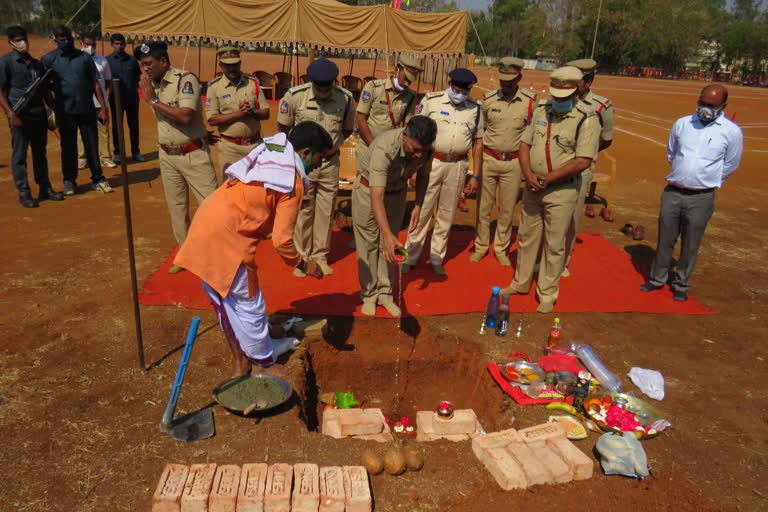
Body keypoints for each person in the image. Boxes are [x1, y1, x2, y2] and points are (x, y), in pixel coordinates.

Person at [174, 122, 332, 377]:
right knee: (250, 306)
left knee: (225, 304)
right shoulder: (291, 180)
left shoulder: (271, 153)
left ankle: (241, 362)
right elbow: (282, 241)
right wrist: (303, 264)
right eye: (319, 160)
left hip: (205, 226)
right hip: (227, 240)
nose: (317, 166)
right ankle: (262, 365)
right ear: (305, 154)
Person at [500, 66, 600, 313]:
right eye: (555, 96)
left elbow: (582, 161)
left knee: (554, 244)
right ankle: (520, 282)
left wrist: (548, 179)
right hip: (533, 187)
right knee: (526, 237)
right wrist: (528, 175)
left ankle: (547, 293)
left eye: (563, 98)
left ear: (577, 93)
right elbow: (525, 144)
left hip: (562, 191)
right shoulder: (541, 110)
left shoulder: (587, 120)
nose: (558, 101)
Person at [639, 84, 742, 302]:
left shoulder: (731, 132)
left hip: (702, 197)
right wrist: (684, 173)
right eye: (702, 103)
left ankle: (681, 284)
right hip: (673, 193)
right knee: (665, 238)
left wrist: (707, 179)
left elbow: (731, 163)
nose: (705, 108)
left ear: (723, 106)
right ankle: (657, 279)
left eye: (711, 105)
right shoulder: (683, 124)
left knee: (690, 243)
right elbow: (672, 152)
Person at [137, 41, 218, 271]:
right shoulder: (152, 84)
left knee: (210, 208)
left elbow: (185, 116)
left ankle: (214, 254)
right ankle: (187, 254)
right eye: (143, 65)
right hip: (168, 156)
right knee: (177, 207)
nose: (146, 69)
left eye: (149, 63)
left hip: (193, 155)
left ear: (163, 61)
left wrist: (153, 100)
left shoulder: (185, 80)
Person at [401, 68, 483, 276]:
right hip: (431, 163)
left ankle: (437, 257)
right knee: (422, 210)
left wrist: (475, 174)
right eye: (457, 90)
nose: (460, 94)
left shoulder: (475, 109)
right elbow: (415, 132)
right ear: (449, 84)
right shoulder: (432, 101)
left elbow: (478, 143)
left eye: (465, 92)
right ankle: (409, 256)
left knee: (447, 214)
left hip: (458, 166)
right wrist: (412, 169)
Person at [277, 58, 355, 277]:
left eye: (327, 85)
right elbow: (283, 127)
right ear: (311, 82)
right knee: (303, 209)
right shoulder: (295, 96)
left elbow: (347, 130)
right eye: (318, 85)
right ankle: (302, 256)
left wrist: (331, 150)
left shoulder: (346, 99)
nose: (322, 89)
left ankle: (320, 256)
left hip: (330, 163)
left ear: (333, 82)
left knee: (325, 210)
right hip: (303, 166)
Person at [353, 116, 436, 317]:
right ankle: (369, 294)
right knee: (370, 243)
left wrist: (418, 204)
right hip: (368, 192)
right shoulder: (385, 148)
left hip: (397, 194)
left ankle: (386, 293)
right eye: (414, 149)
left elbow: (424, 176)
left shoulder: (426, 150)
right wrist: (386, 233)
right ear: (405, 135)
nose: (418, 155)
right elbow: (376, 195)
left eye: (422, 151)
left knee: (390, 247)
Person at [471, 56, 536, 266]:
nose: (505, 84)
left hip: (514, 163)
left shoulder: (530, 103)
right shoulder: (488, 100)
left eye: (510, 81)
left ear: (519, 78)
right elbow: (482, 132)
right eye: (502, 80)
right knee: (483, 207)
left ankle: (501, 247)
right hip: (490, 159)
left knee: (507, 209)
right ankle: (481, 246)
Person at [42, 25, 113, 195]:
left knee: (91, 145)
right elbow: (43, 86)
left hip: (87, 110)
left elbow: (96, 84)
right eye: (62, 40)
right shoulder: (48, 60)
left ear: (73, 40)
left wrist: (104, 108)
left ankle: (98, 178)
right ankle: (69, 181)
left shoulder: (84, 58)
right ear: (55, 40)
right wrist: (52, 105)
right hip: (65, 112)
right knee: (68, 148)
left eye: (68, 39)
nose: (66, 42)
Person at [562, 58, 615, 276]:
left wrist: (586, 155)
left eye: (578, 80)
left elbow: (606, 139)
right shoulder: (561, 99)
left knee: (572, 216)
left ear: (589, 81)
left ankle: (563, 261)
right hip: (557, 166)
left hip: (581, 171)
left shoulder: (602, 106)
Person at [0, 26, 63, 208]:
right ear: (10, 42)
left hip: (38, 115)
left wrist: (52, 109)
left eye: (24, 39)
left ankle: (45, 188)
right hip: (19, 115)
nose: (22, 43)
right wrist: (11, 114)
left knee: (40, 154)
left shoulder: (37, 64)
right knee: (20, 155)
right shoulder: (5, 63)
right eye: (18, 40)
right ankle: (24, 193)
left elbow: (43, 89)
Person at [205, 46, 269, 176]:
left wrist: (252, 112)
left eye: (235, 64)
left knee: (256, 188)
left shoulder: (253, 83)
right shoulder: (214, 87)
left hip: (255, 147)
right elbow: (212, 119)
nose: (232, 69)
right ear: (220, 65)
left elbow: (266, 113)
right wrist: (240, 114)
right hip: (230, 149)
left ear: (240, 63)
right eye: (227, 66)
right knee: (230, 189)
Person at [355, 54, 423, 165]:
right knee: (364, 182)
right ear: (396, 70)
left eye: (410, 82)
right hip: (367, 148)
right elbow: (361, 119)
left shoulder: (410, 96)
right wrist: (374, 147)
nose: (406, 84)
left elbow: (407, 125)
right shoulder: (373, 88)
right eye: (405, 79)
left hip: (389, 152)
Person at [76, 32, 116, 170]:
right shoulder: (76, 59)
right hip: (82, 102)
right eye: (88, 44)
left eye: (93, 44)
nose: (91, 47)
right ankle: (82, 157)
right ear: (81, 43)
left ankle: (105, 157)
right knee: (81, 131)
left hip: (100, 103)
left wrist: (103, 98)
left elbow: (107, 80)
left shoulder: (103, 61)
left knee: (103, 130)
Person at [106, 33, 143, 163]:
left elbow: (138, 77)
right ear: (112, 44)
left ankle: (136, 152)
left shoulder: (132, 60)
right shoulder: (107, 61)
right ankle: (118, 153)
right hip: (115, 99)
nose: (119, 46)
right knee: (117, 126)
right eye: (117, 44)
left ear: (125, 45)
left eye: (121, 44)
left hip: (132, 98)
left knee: (134, 125)